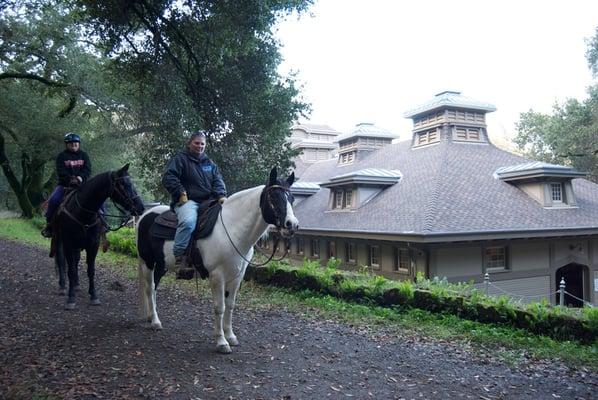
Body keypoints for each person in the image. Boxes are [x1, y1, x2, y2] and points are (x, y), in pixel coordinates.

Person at [162, 131, 227, 269]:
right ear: (189, 143)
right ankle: (180, 255)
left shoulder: (209, 163)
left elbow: (218, 180)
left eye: (202, 144)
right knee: (188, 222)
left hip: (208, 201)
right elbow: (169, 177)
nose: (199, 146)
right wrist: (180, 192)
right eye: (196, 143)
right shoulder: (180, 159)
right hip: (188, 201)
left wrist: (221, 195)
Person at [41, 133, 91, 237]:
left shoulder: (84, 155)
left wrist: (80, 178)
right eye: (71, 143)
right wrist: (70, 179)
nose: (74, 145)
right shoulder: (62, 156)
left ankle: (103, 227)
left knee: (99, 202)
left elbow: (87, 170)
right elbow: (61, 171)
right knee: (54, 201)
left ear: (79, 144)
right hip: (65, 186)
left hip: (82, 186)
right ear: (66, 144)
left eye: (76, 143)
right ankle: (49, 225)